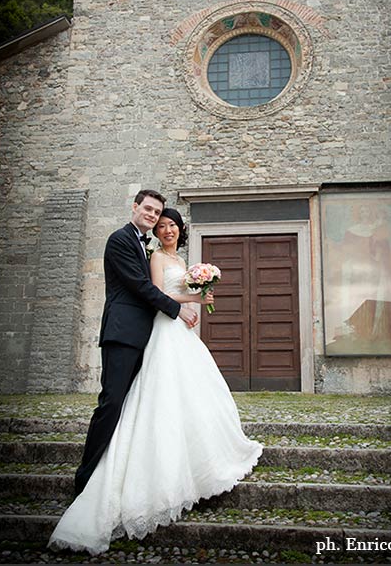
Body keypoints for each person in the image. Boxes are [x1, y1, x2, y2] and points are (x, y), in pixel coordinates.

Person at [48, 207, 263, 555]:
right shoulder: (153, 257)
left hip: (180, 330)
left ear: (180, 229)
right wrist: (192, 298)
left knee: (195, 391)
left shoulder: (179, 258)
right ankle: (104, 477)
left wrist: (199, 292)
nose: (166, 230)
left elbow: (172, 291)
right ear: (144, 218)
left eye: (171, 225)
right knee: (155, 394)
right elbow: (153, 291)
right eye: (160, 224)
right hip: (164, 328)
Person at [73, 190, 198, 497]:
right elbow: (141, 287)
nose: (153, 216)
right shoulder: (120, 240)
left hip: (145, 335)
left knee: (135, 406)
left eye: (157, 213)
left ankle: (122, 470)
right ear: (135, 207)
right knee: (113, 402)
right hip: (123, 333)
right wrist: (178, 308)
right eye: (149, 210)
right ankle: (86, 478)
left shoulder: (146, 245)